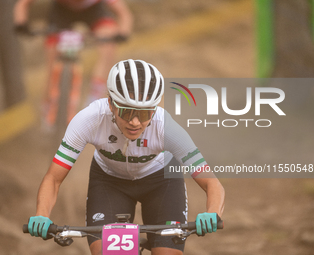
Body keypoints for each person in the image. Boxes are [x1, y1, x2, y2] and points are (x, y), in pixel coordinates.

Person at [26, 59, 225, 255]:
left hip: (161, 182)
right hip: (109, 182)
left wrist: (212, 213)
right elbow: (53, 178)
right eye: (127, 111)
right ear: (111, 103)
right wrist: (42, 215)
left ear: (154, 109)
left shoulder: (166, 127)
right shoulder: (89, 119)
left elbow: (212, 183)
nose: (135, 122)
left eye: (145, 113)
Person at [13, 0, 133, 125]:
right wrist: (20, 22)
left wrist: (123, 32)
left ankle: (95, 98)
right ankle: (48, 108)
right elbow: (23, 4)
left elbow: (124, 13)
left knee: (108, 42)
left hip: (94, 11)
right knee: (52, 60)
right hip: (61, 12)